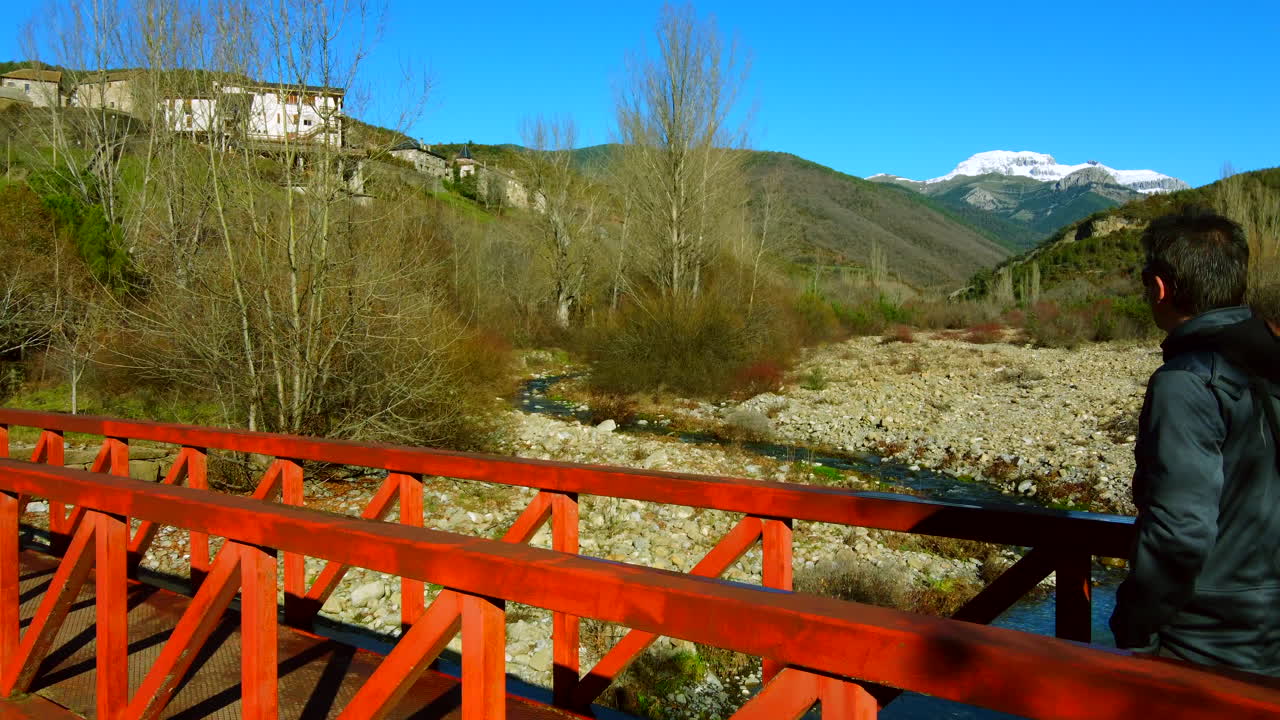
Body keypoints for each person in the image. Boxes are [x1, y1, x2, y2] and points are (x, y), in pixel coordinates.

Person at [1110, 208, 1280, 676]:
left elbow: (1180, 531)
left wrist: (1133, 622)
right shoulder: (1270, 353)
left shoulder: (1186, 381)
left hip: (1212, 643)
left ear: (1161, 287)